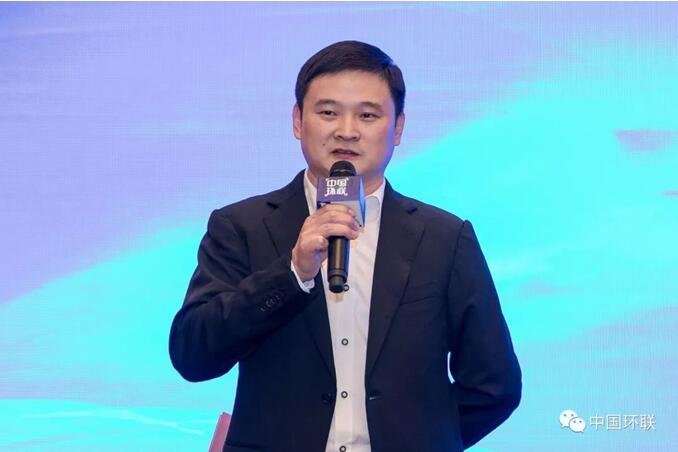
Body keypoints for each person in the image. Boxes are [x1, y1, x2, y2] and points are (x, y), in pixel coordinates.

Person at [169, 40, 521, 452]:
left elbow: (494, 384)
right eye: (328, 112)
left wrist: (421, 438)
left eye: (368, 115)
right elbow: (193, 354)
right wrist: (293, 273)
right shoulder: (241, 226)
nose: (347, 131)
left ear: (398, 128)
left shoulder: (444, 237)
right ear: (298, 120)